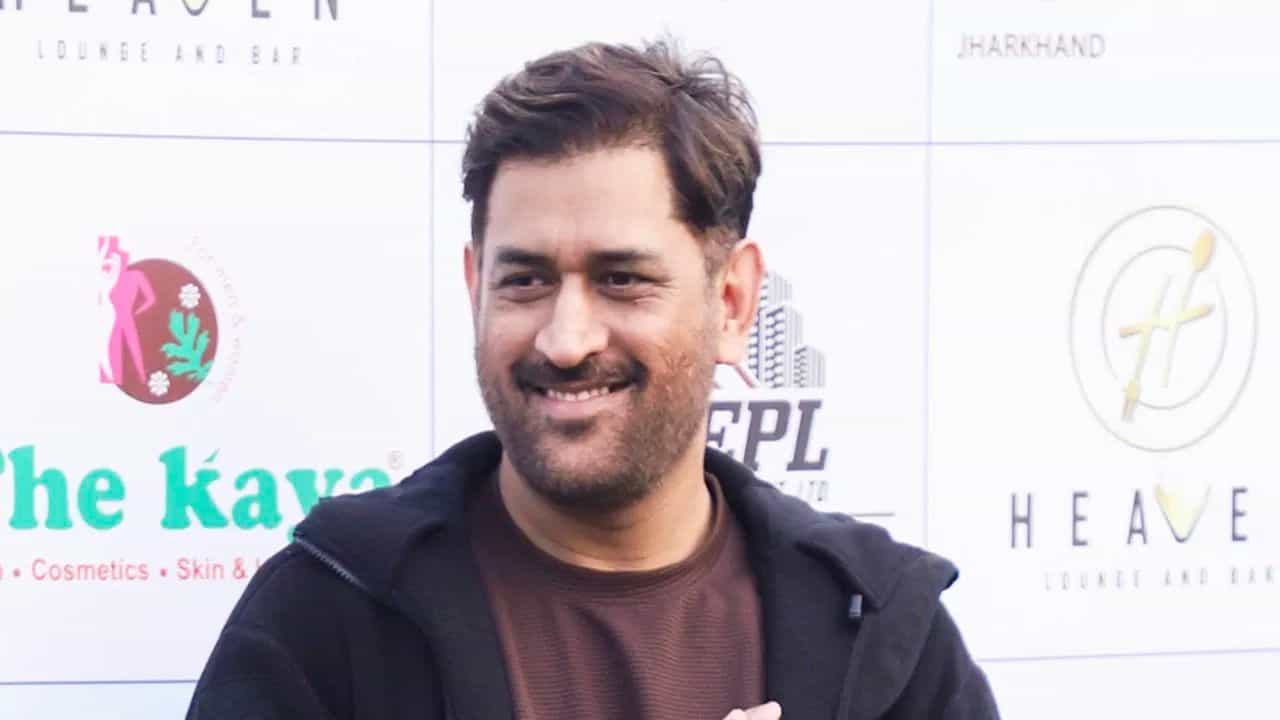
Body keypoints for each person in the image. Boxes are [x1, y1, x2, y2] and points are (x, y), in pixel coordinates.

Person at [186, 39, 999, 720]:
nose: (566, 340)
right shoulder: (328, 617)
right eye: (525, 281)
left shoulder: (883, 634)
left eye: (622, 279)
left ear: (731, 301)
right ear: (475, 289)